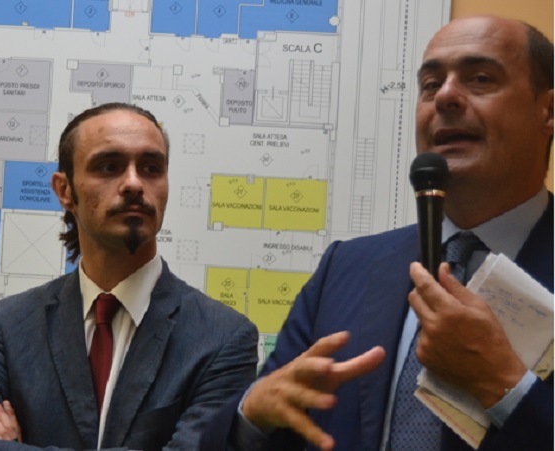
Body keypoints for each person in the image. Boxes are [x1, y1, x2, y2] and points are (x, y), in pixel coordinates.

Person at [200, 15, 553, 451]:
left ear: (548, 111)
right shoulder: (347, 268)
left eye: (480, 79)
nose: (445, 97)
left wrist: (503, 386)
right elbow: (265, 423)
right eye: (430, 85)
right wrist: (250, 415)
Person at [0, 103, 258, 450]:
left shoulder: (223, 338)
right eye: (109, 167)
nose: (134, 183)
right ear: (65, 190)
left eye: (151, 168)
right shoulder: (9, 326)